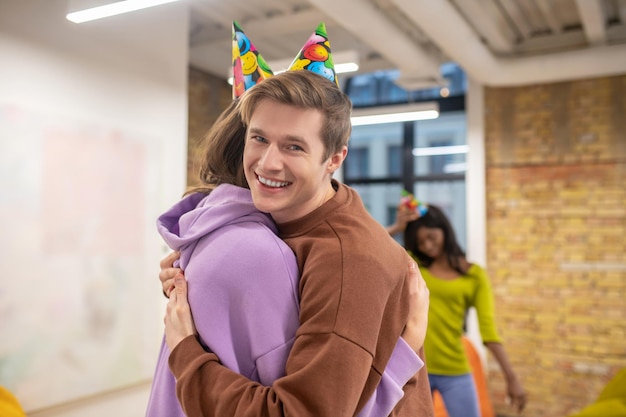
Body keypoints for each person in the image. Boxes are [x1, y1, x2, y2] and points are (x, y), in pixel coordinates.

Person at [162, 65, 435, 415]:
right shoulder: (288, 218)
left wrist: (185, 351)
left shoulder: (347, 263)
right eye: (259, 138)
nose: (268, 163)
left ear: (335, 159)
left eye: (294, 147)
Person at [401, 203, 527, 417]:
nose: (427, 246)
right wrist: (397, 226)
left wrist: (511, 377)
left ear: (444, 230)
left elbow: (489, 332)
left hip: (455, 369)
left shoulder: (475, 275)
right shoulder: (413, 266)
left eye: (431, 237)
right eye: (420, 242)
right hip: (415, 370)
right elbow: (374, 247)